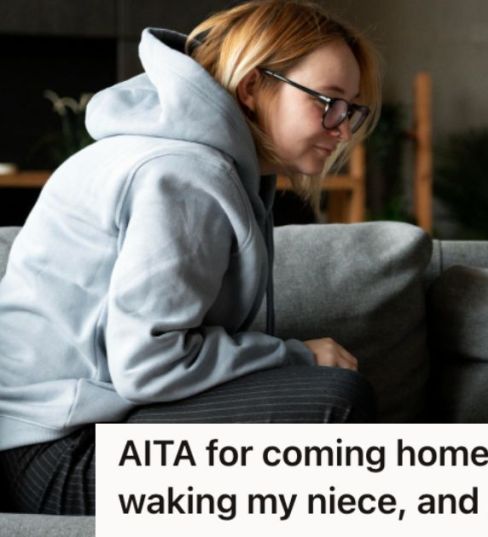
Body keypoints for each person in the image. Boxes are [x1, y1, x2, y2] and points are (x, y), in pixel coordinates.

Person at [0, 0, 381, 515]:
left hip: (68, 433)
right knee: (336, 400)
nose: (342, 129)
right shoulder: (184, 174)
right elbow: (149, 363)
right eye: (327, 101)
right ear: (252, 87)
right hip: (57, 454)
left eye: (352, 109)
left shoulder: (190, 160)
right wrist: (295, 355)